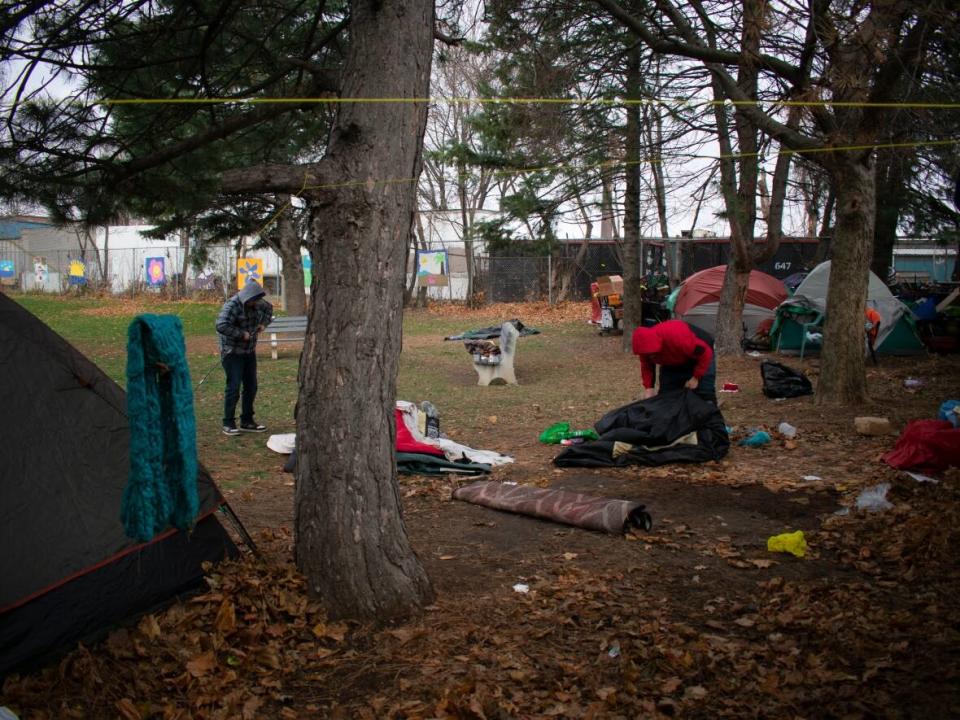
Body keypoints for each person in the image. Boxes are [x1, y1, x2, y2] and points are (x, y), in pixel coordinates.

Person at [216, 279, 273, 436]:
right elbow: (221, 325)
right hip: (231, 352)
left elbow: (269, 309)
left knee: (251, 386)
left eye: (258, 300)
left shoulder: (259, 303)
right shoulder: (231, 306)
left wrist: (263, 324)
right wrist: (241, 334)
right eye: (254, 300)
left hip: (249, 351)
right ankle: (228, 423)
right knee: (233, 387)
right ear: (247, 297)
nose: (257, 303)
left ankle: (247, 421)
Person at [631, 320, 717, 403]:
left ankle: (708, 406)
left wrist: (696, 377)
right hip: (672, 359)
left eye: (653, 353)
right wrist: (649, 388)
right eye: (648, 355)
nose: (651, 356)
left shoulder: (679, 338)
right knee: (666, 398)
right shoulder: (643, 347)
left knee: (704, 393)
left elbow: (705, 353)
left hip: (700, 354)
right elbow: (647, 367)